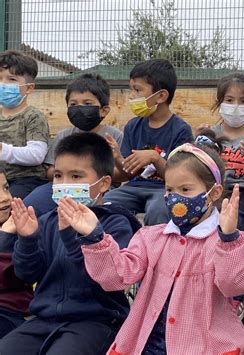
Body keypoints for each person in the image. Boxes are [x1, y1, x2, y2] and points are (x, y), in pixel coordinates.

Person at [68, 142, 244, 354]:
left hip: (206, 348)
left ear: (214, 193)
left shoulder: (228, 242)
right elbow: (116, 277)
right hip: (148, 346)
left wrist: (230, 238)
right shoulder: (150, 237)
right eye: (169, 189)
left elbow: (236, 286)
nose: (174, 197)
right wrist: (95, 237)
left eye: (185, 189)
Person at [0, 133, 141, 354]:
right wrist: (27, 240)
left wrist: (75, 236)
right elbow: (28, 274)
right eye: (58, 175)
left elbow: (105, 279)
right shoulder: (47, 221)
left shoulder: (115, 223)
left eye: (76, 176)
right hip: (44, 319)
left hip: (95, 321)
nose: (64, 184)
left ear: (104, 183)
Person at [104, 59, 193, 226]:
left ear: (161, 96)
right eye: (131, 89)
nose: (131, 96)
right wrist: (117, 156)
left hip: (165, 190)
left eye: (137, 90)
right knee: (107, 203)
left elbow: (182, 177)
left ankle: (155, 251)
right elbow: (128, 174)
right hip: (134, 188)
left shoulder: (181, 130)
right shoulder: (132, 126)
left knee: (159, 211)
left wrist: (155, 158)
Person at [24, 73, 123, 216]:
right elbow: (50, 170)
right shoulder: (63, 135)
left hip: (101, 191)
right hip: (60, 189)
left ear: (103, 110)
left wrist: (87, 175)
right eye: (73, 104)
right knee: (31, 205)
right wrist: (65, 175)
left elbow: (123, 174)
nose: (80, 108)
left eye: (87, 104)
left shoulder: (114, 136)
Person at [206, 73, 244, 232]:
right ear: (219, 103)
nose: (235, 106)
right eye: (229, 100)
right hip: (215, 192)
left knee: (236, 219)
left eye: (243, 101)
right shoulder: (211, 135)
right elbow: (199, 171)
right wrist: (200, 143)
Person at [0, 50, 49, 199]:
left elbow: (36, 155)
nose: (3, 84)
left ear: (29, 88)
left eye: (12, 79)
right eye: (0, 78)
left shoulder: (33, 116)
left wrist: (3, 150)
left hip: (26, 180)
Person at [0, 166, 33, 338]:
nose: (5, 198)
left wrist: (4, 238)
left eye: (6, 188)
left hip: (11, 314)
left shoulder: (21, 228)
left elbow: (25, 274)